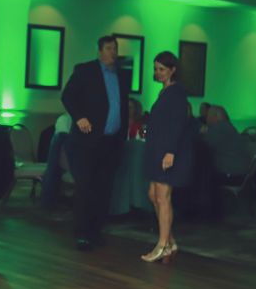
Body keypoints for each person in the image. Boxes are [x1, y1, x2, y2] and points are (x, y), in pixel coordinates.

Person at [61, 35, 131, 250]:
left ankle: (96, 231)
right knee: (86, 187)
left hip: (111, 141)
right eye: (109, 48)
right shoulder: (86, 71)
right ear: (100, 51)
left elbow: (122, 106)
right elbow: (67, 96)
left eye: (115, 48)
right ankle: (82, 233)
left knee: (104, 188)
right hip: (88, 140)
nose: (113, 52)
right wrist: (79, 117)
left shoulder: (122, 75)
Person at [141, 51, 192, 263]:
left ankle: (163, 245)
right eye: (156, 69)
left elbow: (178, 123)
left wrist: (171, 151)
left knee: (163, 196)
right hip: (157, 149)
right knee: (154, 195)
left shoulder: (176, 93)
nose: (158, 73)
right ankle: (169, 242)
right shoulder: (165, 92)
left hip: (166, 151)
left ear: (172, 70)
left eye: (162, 69)